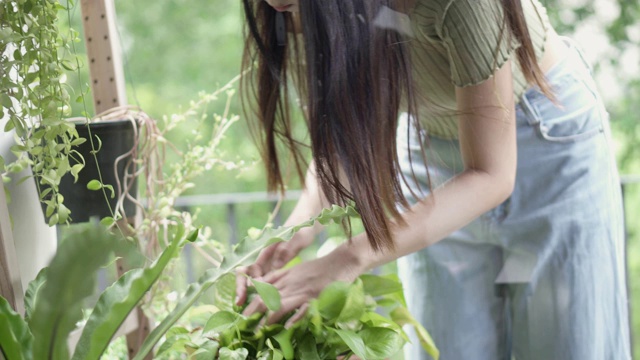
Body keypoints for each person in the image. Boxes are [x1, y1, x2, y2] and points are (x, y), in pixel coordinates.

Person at [236, 0, 632, 358]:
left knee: (568, 346)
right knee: (447, 349)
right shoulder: (297, 10)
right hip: (428, 145)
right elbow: (346, 139)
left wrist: (349, 256)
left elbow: (492, 174)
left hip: (546, 143)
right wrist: (294, 232)